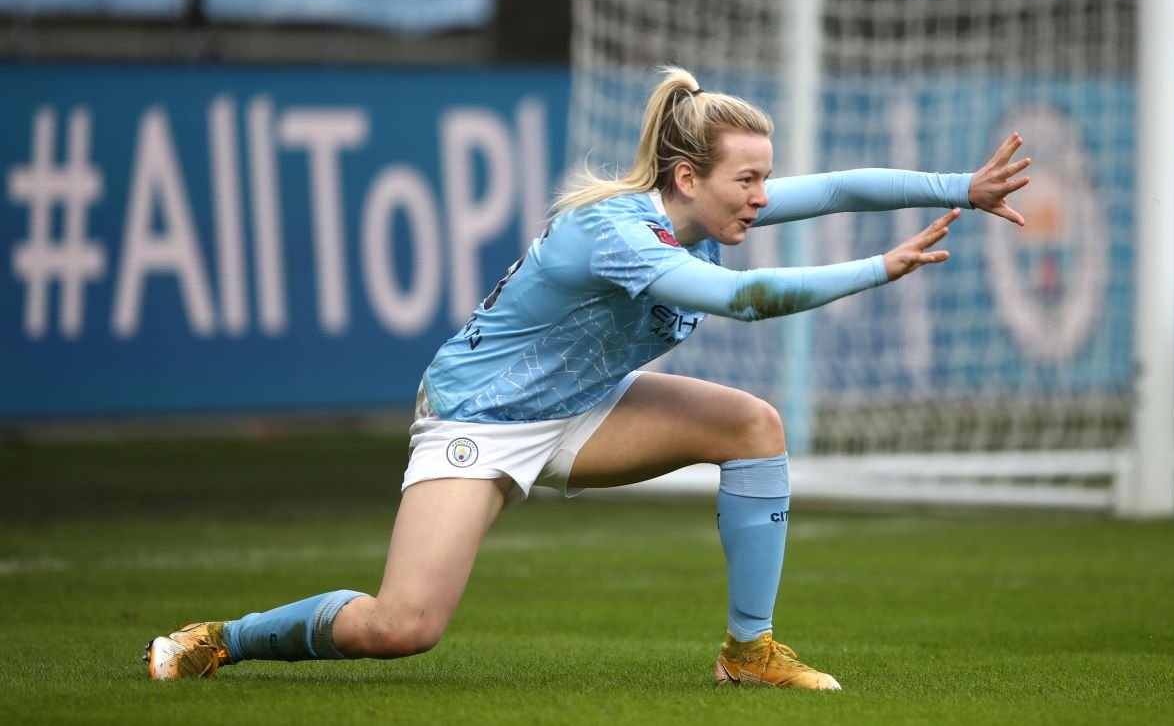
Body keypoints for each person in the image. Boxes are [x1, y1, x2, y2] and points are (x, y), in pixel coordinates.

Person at [145, 66, 1030, 690]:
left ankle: (747, 652)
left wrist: (963, 184)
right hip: (481, 416)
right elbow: (742, 300)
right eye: (749, 180)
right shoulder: (617, 231)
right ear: (688, 177)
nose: (764, 197)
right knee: (403, 627)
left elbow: (834, 191)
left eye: (765, 177)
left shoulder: (701, 208)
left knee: (752, 425)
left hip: (579, 409)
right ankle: (225, 637)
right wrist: (881, 268)